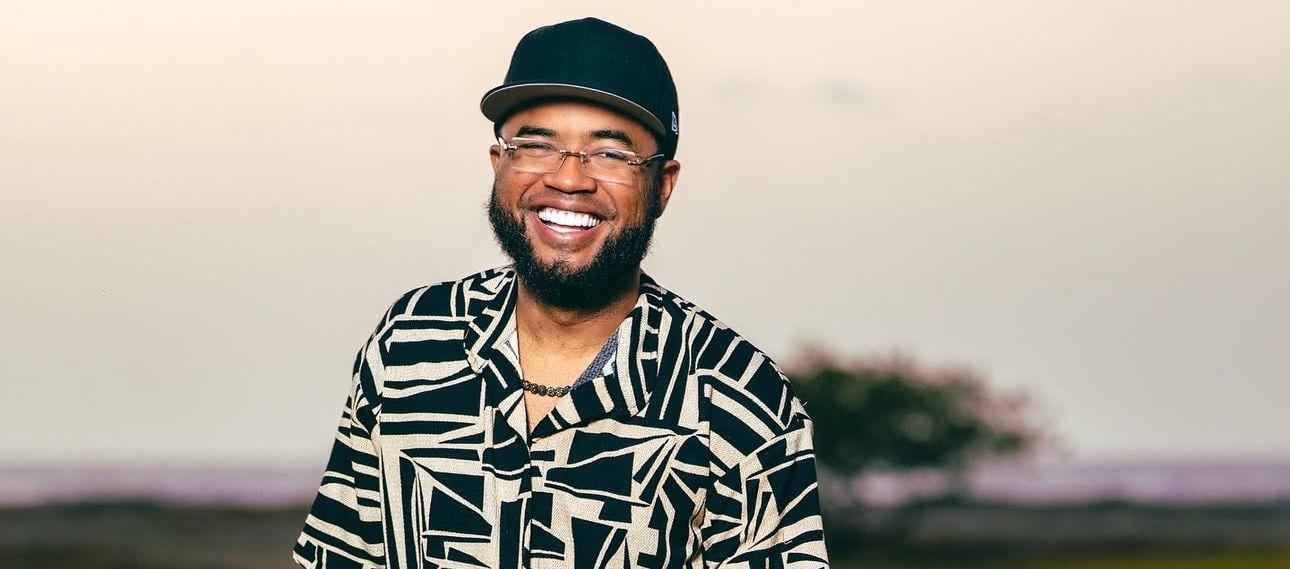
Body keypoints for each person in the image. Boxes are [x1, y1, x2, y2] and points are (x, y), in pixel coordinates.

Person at [292, 17, 829, 569]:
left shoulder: (737, 396)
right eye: (536, 145)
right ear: (499, 164)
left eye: (610, 153)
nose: (569, 179)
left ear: (662, 185)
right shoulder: (412, 339)